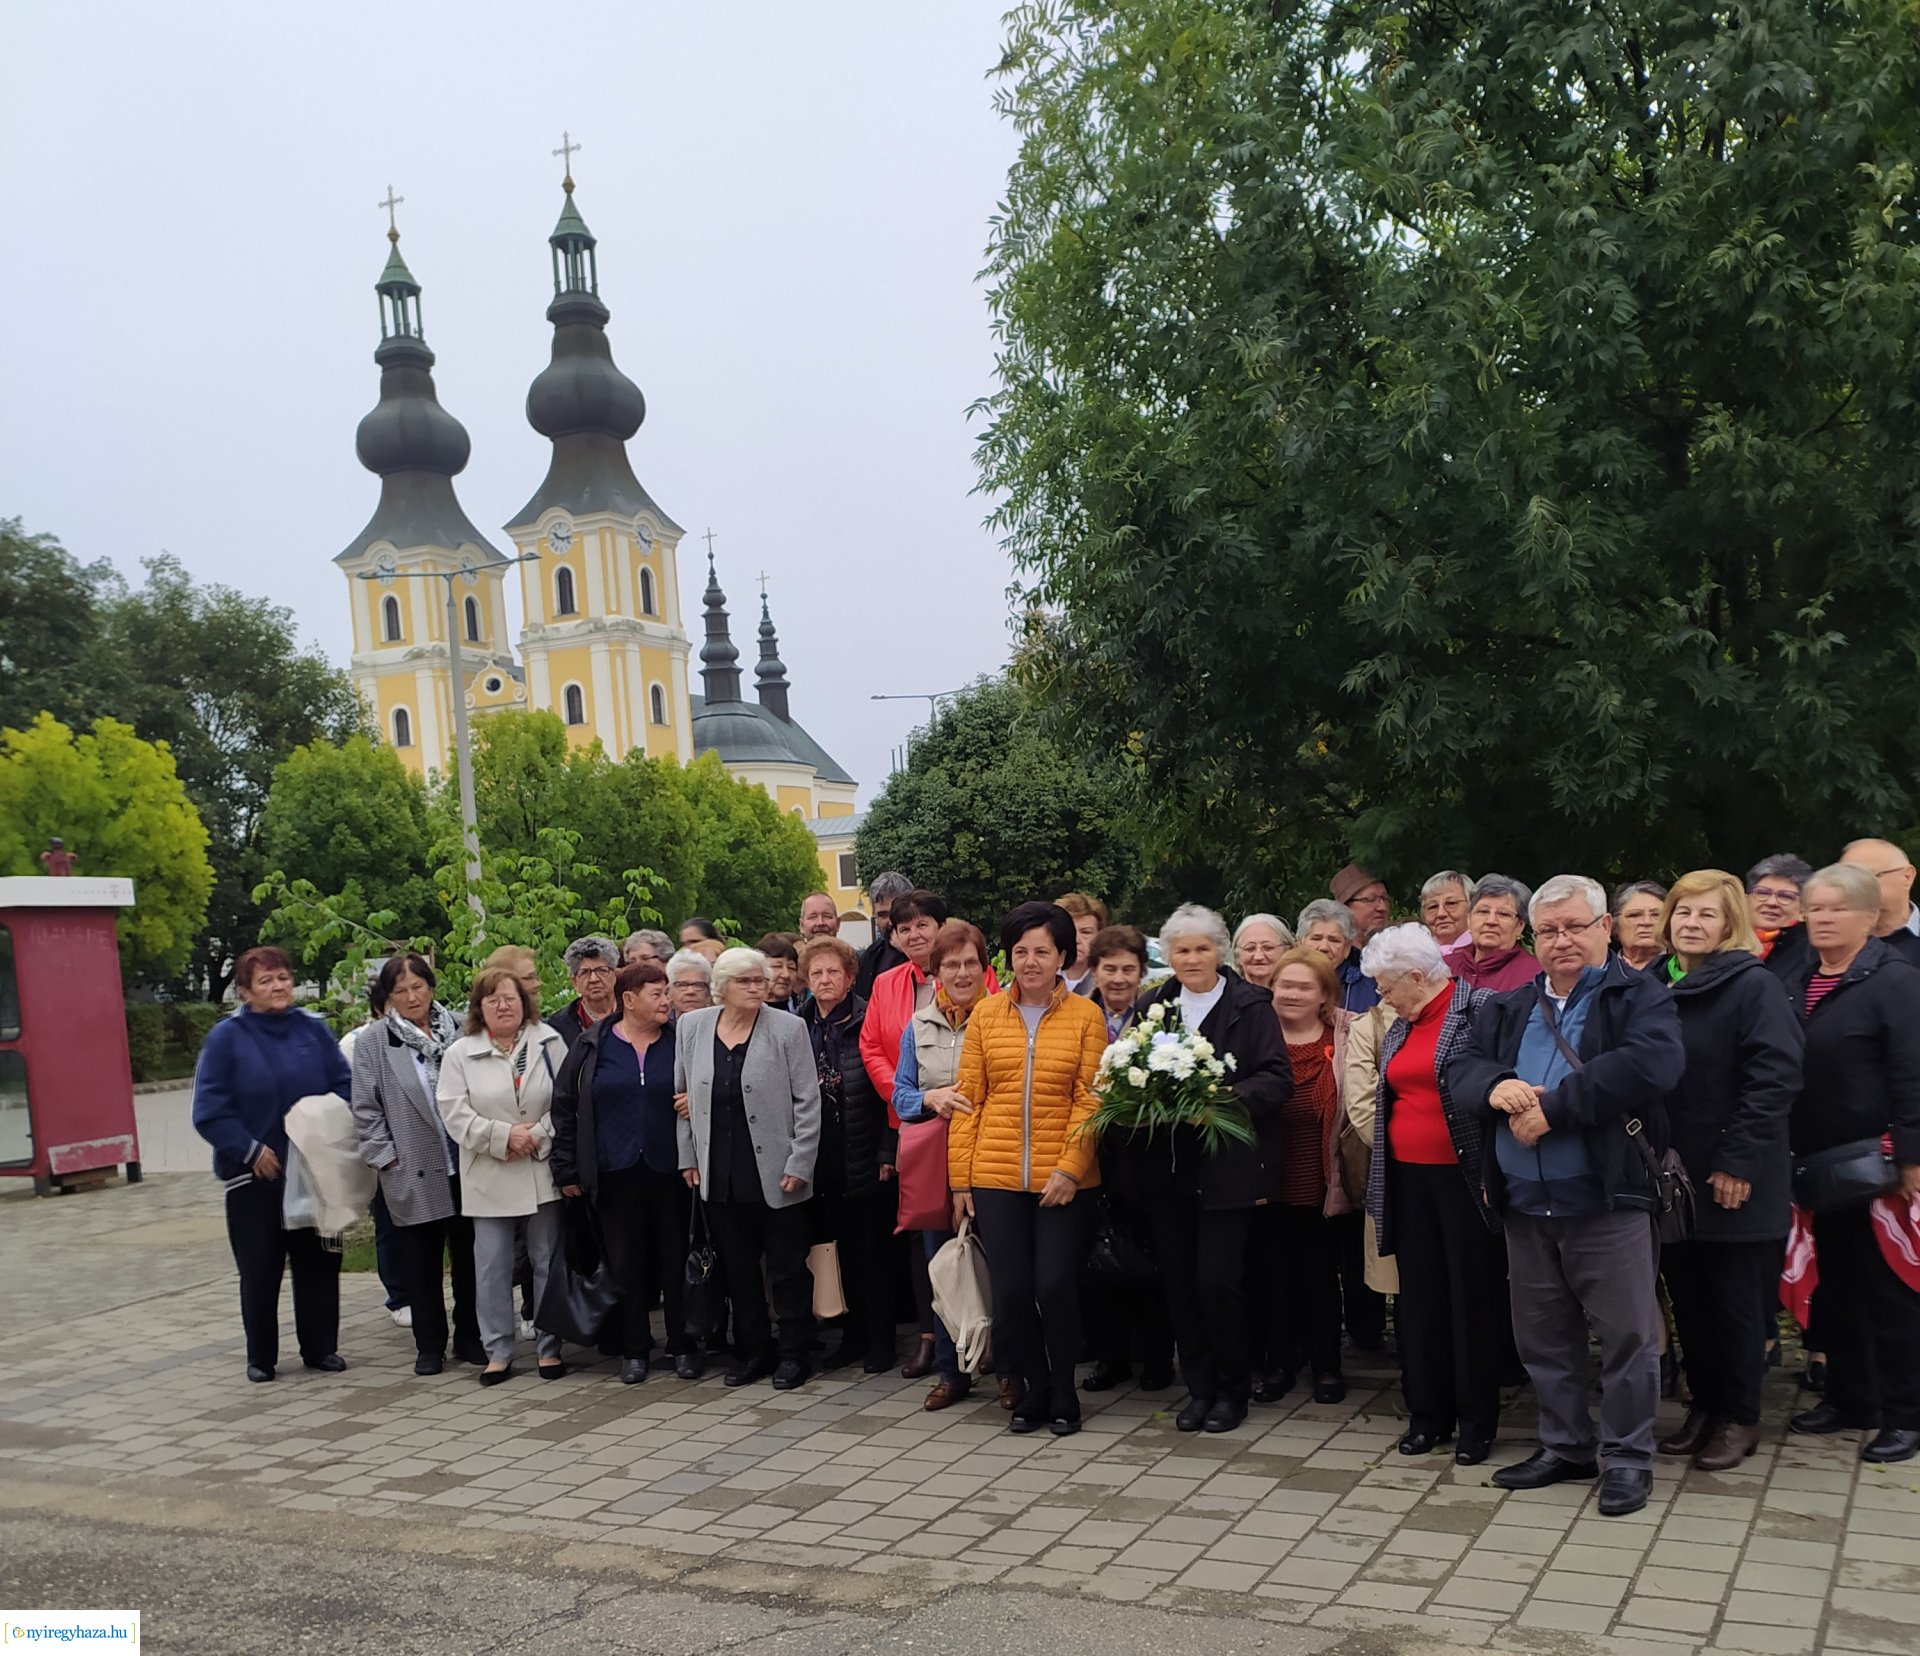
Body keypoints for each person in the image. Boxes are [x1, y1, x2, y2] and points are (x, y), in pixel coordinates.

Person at [1447, 874, 1686, 1518]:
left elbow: (1650, 1064)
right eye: (1548, 930)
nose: (1562, 940)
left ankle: (1629, 1457)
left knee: (1628, 1338)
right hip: (1525, 1204)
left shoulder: (1637, 996)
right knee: (1544, 1336)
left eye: (1575, 926)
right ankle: (1567, 1446)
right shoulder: (1509, 1005)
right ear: (1533, 937)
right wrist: (1494, 1085)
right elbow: (1461, 1066)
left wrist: (1555, 1111)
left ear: (1604, 928)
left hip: (1607, 1202)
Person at [1647, 871, 1801, 1470]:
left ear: (1730, 923)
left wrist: (1738, 1160)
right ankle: (1705, 1407)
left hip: (1735, 1177)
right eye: (1684, 912)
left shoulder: (1753, 986)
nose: (1692, 924)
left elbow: (1774, 1079)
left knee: (1735, 1304)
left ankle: (1739, 1415)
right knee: (1690, 1300)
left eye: (1707, 914)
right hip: (1671, 1177)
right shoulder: (1653, 982)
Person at [1125, 905, 1290, 1434]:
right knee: (1180, 1284)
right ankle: (1199, 1391)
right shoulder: (1153, 1005)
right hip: (1167, 1170)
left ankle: (1232, 1390)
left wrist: (1220, 1100)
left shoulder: (1251, 1005)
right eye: (1182, 950)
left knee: (1218, 1282)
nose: (1192, 958)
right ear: (1169, 956)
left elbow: (1276, 1079)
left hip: (1228, 1171)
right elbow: (1129, 1069)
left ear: (1219, 951)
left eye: (1202, 948)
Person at [1780, 863, 1920, 1464]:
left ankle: (1906, 1413)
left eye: (1838, 908)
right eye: (1816, 908)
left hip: (1879, 1166)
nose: (1824, 918)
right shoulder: (1797, 976)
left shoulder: (1897, 981)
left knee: (1891, 1290)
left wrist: (1911, 1155)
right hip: (1814, 1164)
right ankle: (1851, 1397)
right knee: (1836, 1287)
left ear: (1870, 916)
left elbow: (1913, 1072)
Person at [950, 902, 1107, 1435]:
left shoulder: (1086, 1016)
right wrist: (960, 1180)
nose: (1031, 961)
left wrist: (1070, 1169)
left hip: (1064, 1180)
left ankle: (1065, 1389)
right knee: (1012, 1291)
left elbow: (1091, 1099)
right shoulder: (986, 1015)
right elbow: (968, 1100)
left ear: (1062, 956)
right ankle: (1035, 1389)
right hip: (995, 1178)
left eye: (1042, 951)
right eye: (1020, 951)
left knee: (1055, 1285)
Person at [1361, 925, 1506, 1463]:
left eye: (1387, 987)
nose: (1383, 998)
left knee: (1471, 1302)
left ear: (1417, 977)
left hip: (1466, 1181)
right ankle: (1428, 1416)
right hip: (1408, 1180)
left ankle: (1476, 1423)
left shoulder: (1482, 1010)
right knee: (1418, 1302)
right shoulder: (1403, 1025)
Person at [191, 946, 354, 1383]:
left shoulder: (313, 1030)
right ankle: (261, 1357)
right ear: (245, 991)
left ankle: (321, 1348)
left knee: (319, 1263)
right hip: (256, 1176)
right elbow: (209, 1111)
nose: (278, 986)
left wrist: (323, 1124)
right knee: (260, 1269)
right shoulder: (227, 1039)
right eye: (265, 981)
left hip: (316, 1170)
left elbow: (345, 1086)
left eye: (283, 977)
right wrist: (250, 1150)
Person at [676, 947, 822, 1390]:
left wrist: (800, 1161)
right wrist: (688, 1157)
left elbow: (808, 1100)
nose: (758, 987)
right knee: (738, 1269)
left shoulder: (788, 1028)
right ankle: (754, 1350)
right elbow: (681, 1098)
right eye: (746, 981)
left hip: (778, 1171)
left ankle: (794, 1353)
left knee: (787, 1268)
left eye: (760, 980)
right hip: (719, 1171)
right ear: (722, 987)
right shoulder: (693, 1027)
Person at [550, 961, 702, 1384]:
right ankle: (634, 1349)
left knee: (675, 1259)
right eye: (657, 994)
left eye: (667, 992)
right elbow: (565, 1107)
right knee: (625, 1263)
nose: (667, 1001)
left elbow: (705, 1087)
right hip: (613, 1171)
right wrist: (566, 1168)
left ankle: (682, 1344)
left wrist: (695, 1100)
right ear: (629, 1000)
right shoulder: (591, 1045)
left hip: (671, 1170)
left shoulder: (679, 1041)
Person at [349, 953, 483, 1375]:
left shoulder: (462, 1028)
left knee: (471, 1258)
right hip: (412, 1165)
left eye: (418, 987)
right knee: (421, 1262)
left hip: (467, 1162)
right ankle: (429, 1345)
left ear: (431, 987)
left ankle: (470, 1337)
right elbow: (365, 1109)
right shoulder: (375, 1041)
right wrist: (386, 1158)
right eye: (401, 991)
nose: (411, 997)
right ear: (388, 997)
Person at [436, 968, 570, 1385]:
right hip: (489, 1171)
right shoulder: (460, 1053)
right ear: (479, 1007)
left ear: (524, 1002)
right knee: (491, 1267)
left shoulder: (550, 1042)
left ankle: (550, 1347)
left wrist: (536, 1136)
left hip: (540, 1167)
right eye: (492, 999)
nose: (503, 1005)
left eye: (510, 997)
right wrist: (503, 1137)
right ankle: (498, 1351)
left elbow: (567, 1100)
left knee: (547, 1261)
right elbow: (454, 1113)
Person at [894, 919, 996, 1407]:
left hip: (992, 1160)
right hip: (938, 1167)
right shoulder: (918, 1026)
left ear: (985, 968)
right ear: (935, 973)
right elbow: (900, 1095)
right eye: (951, 964)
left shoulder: (1001, 1018)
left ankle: (1008, 1369)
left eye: (970, 963)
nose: (962, 973)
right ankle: (952, 1373)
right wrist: (929, 1098)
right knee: (945, 1270)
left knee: (1001, 1268)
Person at [1079, 925, 1174, 1394]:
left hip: (1147, 1153)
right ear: (1095, 971)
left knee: (1149, 1256)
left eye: (1128, 969)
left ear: (1141, 972)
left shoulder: (1159, 1017)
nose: (1118, 979)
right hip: (1092, 1151)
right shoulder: (1079, 1015)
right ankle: (1111, 1356)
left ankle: (1156, 1357)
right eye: (1109, 968)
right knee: (1099, 1256)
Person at [800, 936, 898, 1373]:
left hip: (865, 1149)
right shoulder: (799, 1025)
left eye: (833, 971)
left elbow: (889, 1089)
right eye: (816, 972)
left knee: (872, 1253)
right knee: (838, 1251)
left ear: (850, 977)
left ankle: (881, 1341)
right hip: (821, 1158)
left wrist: (887, 1149)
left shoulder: (869, 1018)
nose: (825, 979)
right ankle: (852, 1337)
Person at [1259, 945, 1348, 1409]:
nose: (1291, 994)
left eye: (1303, 987)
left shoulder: (1345, 1038)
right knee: (1274, 1278)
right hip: (1267, 1179)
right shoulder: (1257, 1038)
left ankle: (1327, 1366)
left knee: (1319, 1277)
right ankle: (1279, 1364)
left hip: (1323, 1180)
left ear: (1324, 996)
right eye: (1284, 985)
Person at [857, 890, 950, 1107]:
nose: (914, 935)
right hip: (903, 1112)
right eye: (905, 929)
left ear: (942, 927)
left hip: (960, 1107)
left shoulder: (971, 976)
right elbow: (871, 1046)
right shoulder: (884, 984)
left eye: (922, 925)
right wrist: (906, 1096)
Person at [1452, 874, 1541, 992]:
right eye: (1483, 911)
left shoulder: (1535, 976)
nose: (1491, 921)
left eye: (1503, 914)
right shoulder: (1444, 967)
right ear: (1469, 919)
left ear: (1519, 926)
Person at [1840, 838, 1920, 966]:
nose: (1855, 886)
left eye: (1867, 876)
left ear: (1907, 877)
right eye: (1847, 879)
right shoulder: (1826, 940)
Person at [1328, 867, 1388, 1012]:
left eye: (1385, 899)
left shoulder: (1397, 955)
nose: (1382, 907)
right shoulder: (1332, 958)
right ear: (1344, 908)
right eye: (1370, 900)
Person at [549, 936, 622, 1049]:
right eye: (585, 972)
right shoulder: (558, 1027)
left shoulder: (633, 1014)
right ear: (574, 982)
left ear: (615, 974)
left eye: (602, 970)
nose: (594, 979)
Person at [1297, 900, 1368, 1011]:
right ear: (1300, 943)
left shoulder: (1371, 985)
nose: (1324, 947)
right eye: (1316, 938)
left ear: (1347, 948)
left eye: (1334, 940)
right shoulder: (1283, 980)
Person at [854, 871, 914, 997]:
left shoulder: (933, 948)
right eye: (883, 915)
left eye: (896, 912)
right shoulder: (871, 956)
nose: (890, 921)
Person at [1746, 855, 1811, 958]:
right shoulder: (1723, 942)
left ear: (1803, 910)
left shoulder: (1811, 955)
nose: (1772, 903)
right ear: (1746, 899)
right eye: (1762, 893)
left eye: (1786, 896)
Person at [1055, 893, 1109, 995]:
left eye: (1085, 932)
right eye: (1069, 931)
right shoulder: (1041, 976)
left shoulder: (1106, 984)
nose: (1076, 940)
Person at [1612, 882, 1668, 973]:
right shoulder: (1600, 970)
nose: (1647, 922)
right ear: (1614, 926)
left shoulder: (1684, 970)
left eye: (1657, 915)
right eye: (1635, 915)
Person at [1232, 913, 1295, 994]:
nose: (1258, 957)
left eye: (1268, 948)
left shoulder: (1297, 995)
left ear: (1287, 951)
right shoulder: (1227, 996)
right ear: (1237, 956)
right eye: (1250, 948)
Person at [1419, 872, 1472, 951]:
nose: (1441, 914)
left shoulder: (1483, 951)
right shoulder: (1412, 952)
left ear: (1472, 908)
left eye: (1451, 903)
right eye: (1433, 906)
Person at [666, 949, 714, 1017]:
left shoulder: (718, 1022)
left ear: (708, 994)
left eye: (698, 985)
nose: (690, 991)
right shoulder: (658, 1022)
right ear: (669, 992)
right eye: (682, 985)